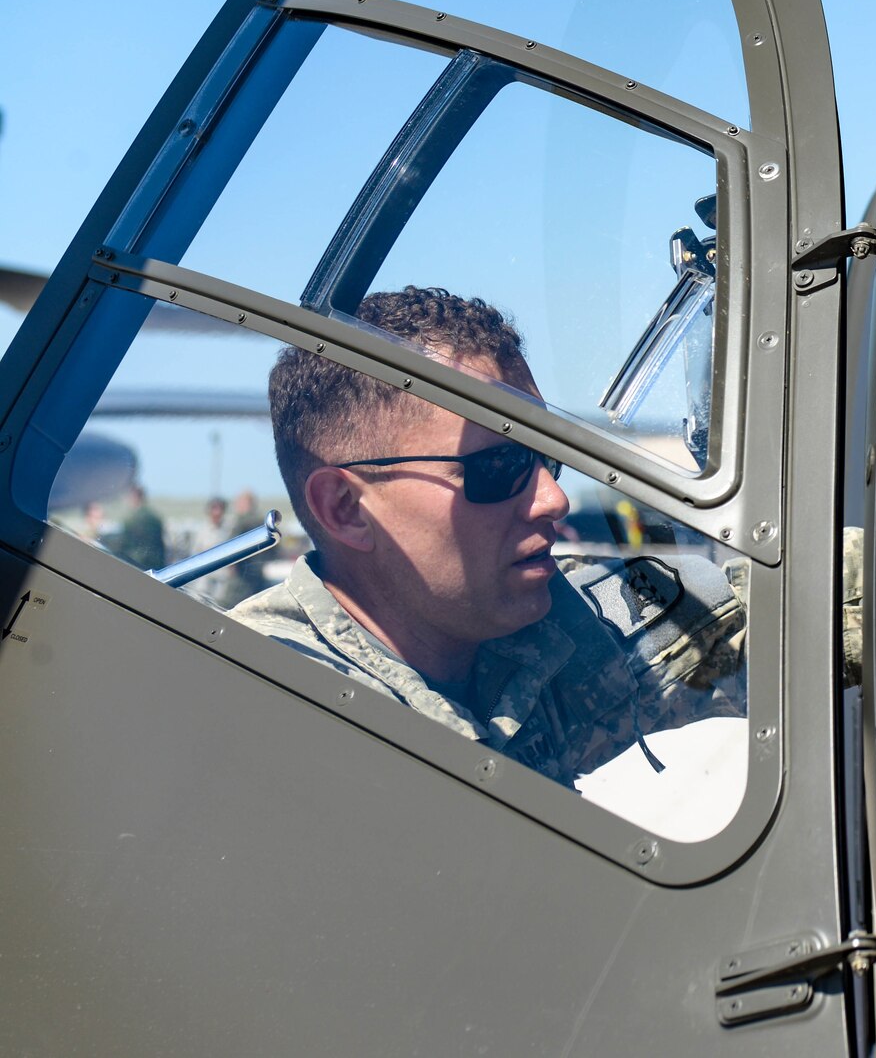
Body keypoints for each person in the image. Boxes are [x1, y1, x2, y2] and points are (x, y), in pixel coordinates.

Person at [229, 286, 744, 788]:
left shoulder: (555, 617)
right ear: (346, 510)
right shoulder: (261, 721)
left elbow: (774, 621)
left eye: (548, 454)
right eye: (499, 465)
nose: (553, 500)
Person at [105, 483, 168, 571]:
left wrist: (102, 538)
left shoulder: (136, 518)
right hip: (156, 564)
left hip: (141, 564)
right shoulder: (153, 516)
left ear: (134, 497)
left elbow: (123, 541)